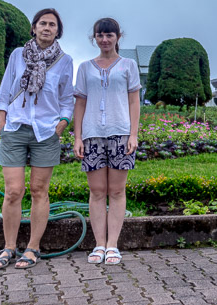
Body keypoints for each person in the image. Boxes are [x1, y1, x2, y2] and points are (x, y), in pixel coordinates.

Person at [0, 8, 74, 270]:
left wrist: (63, 123)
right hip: (15, 127)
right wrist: (2, 118)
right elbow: (6, 88)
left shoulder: (65, 60)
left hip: (46, 131)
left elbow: (67, 97)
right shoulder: (17, 55)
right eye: (42, 23)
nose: (47, 28)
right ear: (34, 28)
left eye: (52, 25)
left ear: (58, 31)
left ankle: (33, 248)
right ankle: (8, 248)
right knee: (14, 191)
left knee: (39, 190)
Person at [73, 18, 141, 266]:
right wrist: (78, 136)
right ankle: (99, 244)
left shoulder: (128, 65)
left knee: (117, 190)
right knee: (97, 191)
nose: (104, 40)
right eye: (100, 35)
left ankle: (113, 244)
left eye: (109, 35)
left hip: (120, 133)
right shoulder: (85, 68)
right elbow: (79, 102)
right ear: (94, 38)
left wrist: (133, 134)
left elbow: (134, 101)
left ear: (117, 37)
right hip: (92, 135)